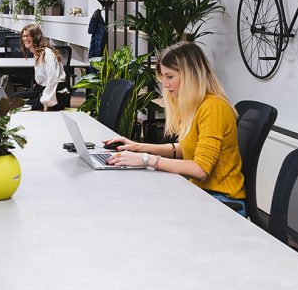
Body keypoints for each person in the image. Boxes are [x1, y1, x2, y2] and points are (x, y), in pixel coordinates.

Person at [104, 41, 247, 217]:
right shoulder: (195, 104)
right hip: (202, 193)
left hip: (222, 202)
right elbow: (187, 147)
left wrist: (146, 159)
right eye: (163, 77)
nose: (164, 84)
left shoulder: (214, 107)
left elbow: (200, 169)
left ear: (191, 75)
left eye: (170, 77)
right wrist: (138, 147)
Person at [12, 24, 71, 111]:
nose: (24, 39)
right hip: (43, 90)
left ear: (35, 37)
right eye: (23, 36)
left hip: (56, 95)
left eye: (28, 36)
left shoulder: (47, 54)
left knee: (20, 106)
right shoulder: (37, 54)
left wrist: (45, 102)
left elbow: (52, 79)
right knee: (13, 99)